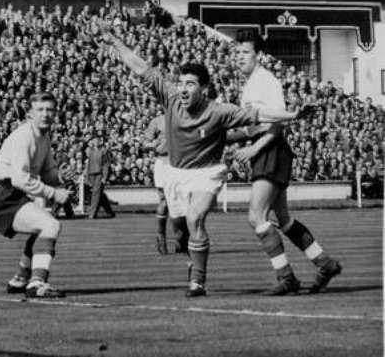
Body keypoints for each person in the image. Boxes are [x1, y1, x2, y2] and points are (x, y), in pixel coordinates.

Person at [99, 27, 314, 297]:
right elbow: (140, 67)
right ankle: (195, 263)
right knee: (180, 226)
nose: (183, 88)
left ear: (204, 88)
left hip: (207, 173)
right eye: (181, 83)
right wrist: (115, 42)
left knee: (195, 217)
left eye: (190, 84)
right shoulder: (170, 97)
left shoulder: (219, 111)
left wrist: (292, 114)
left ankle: (197, 282)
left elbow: (257, 113)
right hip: (175, 173)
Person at [231, 29, 341, 295]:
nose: (239, 56)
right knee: (283, 219)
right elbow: (254, 126)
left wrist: (253, 148)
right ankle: (325, 263)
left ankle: (287, 277)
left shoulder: (266, 80)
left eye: (245, 52)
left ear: (258, 55)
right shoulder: (249, 84)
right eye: (237, 52)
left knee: (256, 216)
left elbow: (279, 122)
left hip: (272, 150)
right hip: (268, 152)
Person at [0, 92, 71, 299]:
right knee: (50, 225)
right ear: (30, 114)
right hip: (1, 195)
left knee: (41, 227)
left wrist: (59, 176)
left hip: (12, 194)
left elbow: (48, 173)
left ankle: (20, 279)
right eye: (40, 110)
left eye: (50, 110)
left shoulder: (44, 137)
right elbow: (20, 179)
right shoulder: (24, 136)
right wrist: (53, 193)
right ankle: (37, 283)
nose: (45, 114)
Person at [145, 113, 176, 255]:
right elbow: (145, 142)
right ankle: (161, 236)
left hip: (179, 162)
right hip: (162, 162)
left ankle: (181, 237)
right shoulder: (157, 121)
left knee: (181, 201)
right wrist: (152, 144)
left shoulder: (184, 117)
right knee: (164, 201)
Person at [85, 135, 115, 219]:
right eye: (93, 140)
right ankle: (110, 211)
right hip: (92, 174)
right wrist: (87, 177)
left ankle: (92, 213)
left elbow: (106, 165)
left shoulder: (103, 151)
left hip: (99, 174)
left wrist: (104, 177)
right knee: (99, 194)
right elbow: (89, 165)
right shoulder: (91, 151)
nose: (94, 142)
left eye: (96, 140)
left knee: (96, 193)